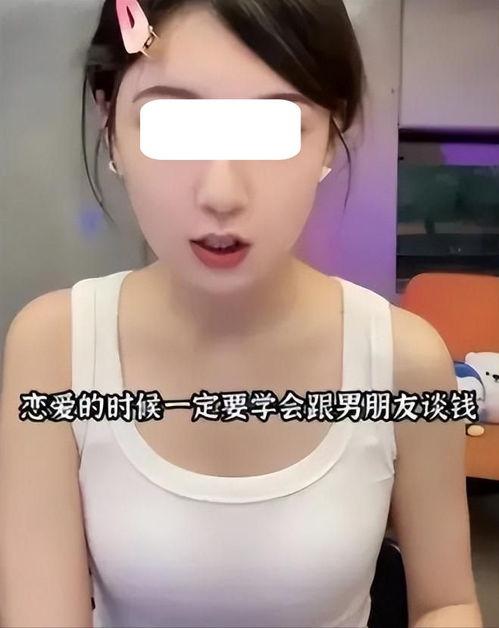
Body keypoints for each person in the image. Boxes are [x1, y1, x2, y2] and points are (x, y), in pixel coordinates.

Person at [0, 1, 483, 626]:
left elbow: (446, 602)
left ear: (332, 128)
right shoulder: (55, 350)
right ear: (109, 122)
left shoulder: (405, 361)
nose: (221, 194)